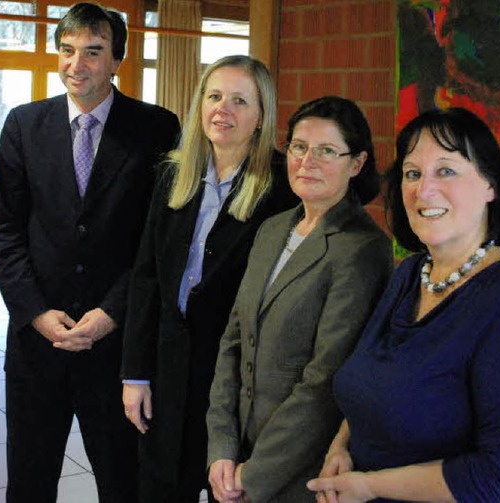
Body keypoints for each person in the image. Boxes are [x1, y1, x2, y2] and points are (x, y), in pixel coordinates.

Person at [307, 107, 500, 502]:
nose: (423, 190)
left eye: (446, 170)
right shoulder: (410, 275)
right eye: (412, 173)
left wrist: (370, 485)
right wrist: (341, 447)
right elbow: (372, 383)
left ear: (491, 185)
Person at [0, 3, 181, 502]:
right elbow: (6, 232)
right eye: (68, 50)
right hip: (38, 346)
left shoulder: (157, 130)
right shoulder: (23, 125)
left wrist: (111, 313)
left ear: (117, 58)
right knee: (29, 483)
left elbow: (156, 240)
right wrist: (33, 312)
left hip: (118, 347)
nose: (78, 64)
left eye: (93, 52)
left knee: (123, 482)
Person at [120, 55, 299, 502]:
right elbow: (146, 277)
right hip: (167, 365)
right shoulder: (172, 174)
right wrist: (135, 374)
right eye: (215, 96)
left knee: (229, 490)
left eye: (240, 100)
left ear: (261, 117)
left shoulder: (281, 186)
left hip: (234, 376)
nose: (224, 109)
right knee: (160, 485)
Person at [207, 96, 393, 503]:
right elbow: (233, 340)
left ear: (357, 164)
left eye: (327, 151)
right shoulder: (273, 229)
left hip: (298, 474)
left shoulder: (362, 249)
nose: (308, 160)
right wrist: (221, 447)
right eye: (299, 147)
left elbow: (325, 381)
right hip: (235, 455)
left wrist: (254, 474)